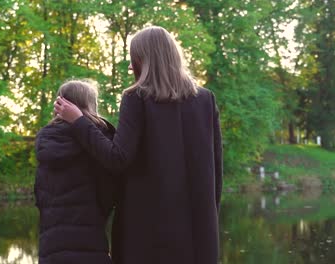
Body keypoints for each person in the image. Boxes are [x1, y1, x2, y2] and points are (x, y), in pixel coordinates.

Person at [54, 26, 223, 264]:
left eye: (134, 59)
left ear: (144, 60)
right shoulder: (205, 99)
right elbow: (216, 171)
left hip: (148, 235)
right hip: (199, 234)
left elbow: (118, 158)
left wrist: (79, 122)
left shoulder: (137, 97)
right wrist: (210, 220)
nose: (131, 67)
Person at [34, 80, 117, 264]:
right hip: (90, 246)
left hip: (51, 250)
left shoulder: (47, 141)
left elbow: (40, 197)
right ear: (91, 105)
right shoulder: (98, 142)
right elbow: (109, 195)